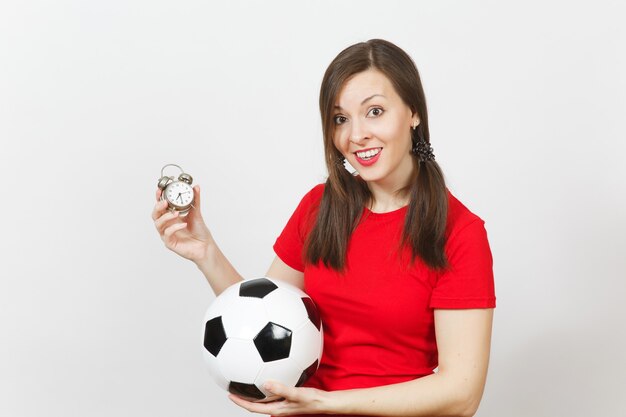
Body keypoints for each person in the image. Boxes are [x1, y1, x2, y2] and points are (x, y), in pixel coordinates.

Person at [152, 38, 495, 417]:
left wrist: (328, 403)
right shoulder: (319, 207)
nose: (356, 135)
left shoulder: (460, 233)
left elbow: (461, 395)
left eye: (375, 111)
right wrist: (206, 252)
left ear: (413, 112)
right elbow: (258, 317)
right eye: (340, 119)